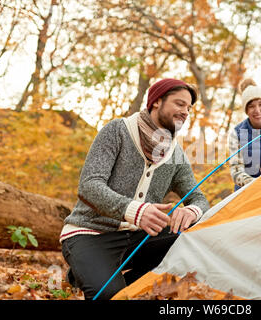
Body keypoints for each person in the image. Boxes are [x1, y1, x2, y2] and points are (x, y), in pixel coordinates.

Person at [60, 78, 210, 300]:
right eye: (179, 104)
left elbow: (199, 198)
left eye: (188, 107)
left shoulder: (176, 155)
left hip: (137, 238)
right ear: (157, 101)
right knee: (110, 296)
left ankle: (101, 275)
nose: (185, 112)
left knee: (196, 233)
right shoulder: (117, 131)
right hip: (90, 233)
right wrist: (135, 211)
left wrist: (191, 211)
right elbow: (89, 186)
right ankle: (93, 269)